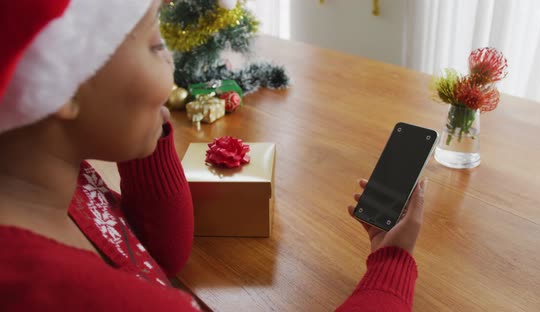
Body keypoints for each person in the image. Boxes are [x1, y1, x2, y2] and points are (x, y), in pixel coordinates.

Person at [0, 0, 426, 311]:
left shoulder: (55, 180)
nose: (170, 64)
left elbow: (159, 253)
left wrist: (145, 135)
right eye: (153, 44)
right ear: (61, 82)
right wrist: (392, 261)